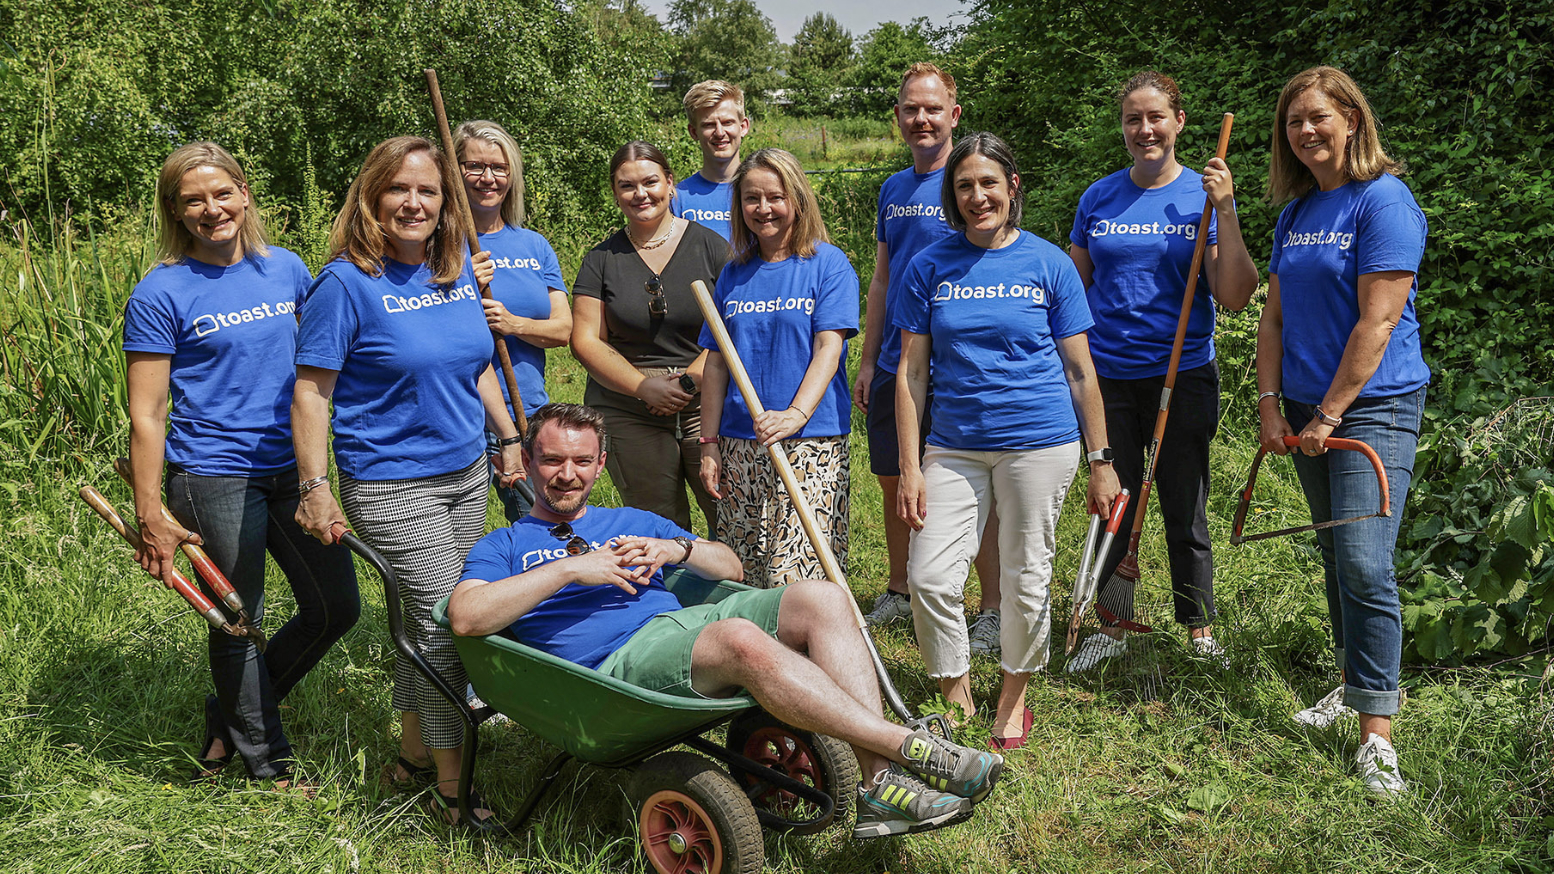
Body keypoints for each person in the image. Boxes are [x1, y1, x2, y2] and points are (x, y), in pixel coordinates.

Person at [447, 403, 1005, 838]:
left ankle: (880, 784)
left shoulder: (629, 518)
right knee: (737, 637)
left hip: (687, 625)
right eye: (551, 461)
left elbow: (730, 565)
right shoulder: (506, 543)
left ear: (599, 464)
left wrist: (676, 552)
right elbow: (466, 616)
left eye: (580, 461)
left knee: (822, 597)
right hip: (613, 670)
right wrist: (572, 569)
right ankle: (908, 747)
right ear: (529, 464)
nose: (566, 475)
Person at [291, 135, 523, 823]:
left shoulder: (453, 268)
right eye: (399, 189)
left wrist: (508, 436)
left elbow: (476, 361)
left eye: (428, 190)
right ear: (371, 197)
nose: (414, 203)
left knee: (426, 621)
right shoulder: (344, 283)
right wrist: (315, 486)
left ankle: (413, 756)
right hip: (392, 482)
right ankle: (455, 789)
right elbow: (311, 393)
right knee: (452, 621)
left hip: (466, 470)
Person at [123, 142, 360, 790]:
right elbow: (147, 415)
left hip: (291, 466)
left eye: (221, 192)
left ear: (244, 193)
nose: (211, 208)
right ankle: (267, 765)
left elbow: (320, 363)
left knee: (336, 607)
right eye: (193, 199)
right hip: (214, 475)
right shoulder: (160, 291)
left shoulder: (286, 269)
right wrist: (152, 513)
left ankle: (230, 715)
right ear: (175, 209)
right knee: (238, 619)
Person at [895, 133, 1121, 750]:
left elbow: (1080, 371)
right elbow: (912, 373)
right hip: (954, 444)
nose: (977, 196)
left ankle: (1013, 698)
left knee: (1027, 572)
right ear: (952, 194)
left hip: (1039, 443)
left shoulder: (1049, 264)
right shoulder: (928, 266)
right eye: (964, 185)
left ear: (1012, 186)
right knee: (932, 575)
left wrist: (1101, 460)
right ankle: (956, 689)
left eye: (988, 183)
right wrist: (912, 466)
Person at [1257, 66, 1429, 798]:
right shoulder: (1296, 212)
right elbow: (1273, 315)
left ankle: (1377, 737)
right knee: (1334, 556)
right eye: (1295, 122)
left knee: (1364, 563)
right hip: (1301, 409)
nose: (1306, 132)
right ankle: (1351, 683)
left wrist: (1330, 413)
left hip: (1371, 408)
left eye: (1318, 118)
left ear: (1352, 120)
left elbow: (1379, 321)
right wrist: (1271, 403)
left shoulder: (1383, 201)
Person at [1065, 71, 1259, 672]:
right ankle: (1113, 621)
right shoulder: (1098, 198)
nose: (1144, 129)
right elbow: (1074, 292)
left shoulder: (1201, 199)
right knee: (1112, 498)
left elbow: (1235, 295)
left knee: (1184, 499)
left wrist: (1225, 209)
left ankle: (1197, 626)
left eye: (1155, 118)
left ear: (1179, 122)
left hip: (1183, 373)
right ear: (1122, 127)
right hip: (1110, 378)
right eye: (1132, 119)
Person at [853, 63, 1005, 656]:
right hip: (898, 360)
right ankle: (899, 587)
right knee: (895, 475)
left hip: (957, 365)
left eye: (932, 109)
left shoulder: (973, 181)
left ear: (954, 114)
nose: (921, 119)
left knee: (977, 488)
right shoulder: (893, 190)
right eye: (910, 109)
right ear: (898, 117)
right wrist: (868, 360)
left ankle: (989, 607)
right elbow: (882, 280)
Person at [697, 148, 859, 587]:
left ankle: (812, 652)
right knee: (743, 570)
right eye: (752, 198)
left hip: (810, 438)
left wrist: (795, 415)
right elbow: (716, 365)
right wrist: (708, 442)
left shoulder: (828, 265)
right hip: (739, 439)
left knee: (798, 572)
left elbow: (829, 348)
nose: (763, 208)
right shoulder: (733, 274)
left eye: (775, 196)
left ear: (797, 199)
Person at [571, 141, 728, 533]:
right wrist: (643, 387)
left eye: (650, 182)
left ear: (670, 183)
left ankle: (737, 594)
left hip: (705, 397)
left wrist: (689, 381)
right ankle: (673, 596)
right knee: (657, 527)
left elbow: (734, 328)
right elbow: (585, 340)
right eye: (627, 186)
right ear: (615, 193)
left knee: (726, 511)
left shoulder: (712, 248)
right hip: (627, 405)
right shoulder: (601, 259)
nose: (640, 194)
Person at [454, 119, 572, 521]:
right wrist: (462, 282)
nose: (488, 178)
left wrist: (513, 323)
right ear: (454, 172)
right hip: (463, 416)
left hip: (528, 410)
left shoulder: (533, 245)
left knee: (541, 526)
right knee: (462, 539)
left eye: (499, 168)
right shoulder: (438, 246)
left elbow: (562, 330)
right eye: (474, 166)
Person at [672, 80, 751, 240]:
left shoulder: (765, 193)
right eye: (709, 125)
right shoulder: (677, 199)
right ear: (693, 132)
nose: (720, 132)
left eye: (727, 122)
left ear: (743, 127)